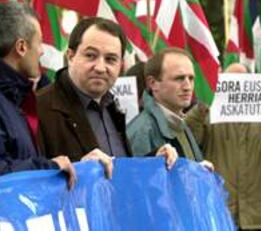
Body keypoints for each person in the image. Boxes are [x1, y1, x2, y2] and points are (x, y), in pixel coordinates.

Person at [36, 17, 177, 177]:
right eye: (90, 55)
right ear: (70, 56)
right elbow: (29, 182)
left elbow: (116, 174)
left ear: (121, 65)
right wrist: (81, 169)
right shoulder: (40, 108)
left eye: (110, 59)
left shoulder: (112, 107)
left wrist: (152, 162)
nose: (100, 68)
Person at [186, 63, 261, 231]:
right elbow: (188, 138)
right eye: (231, 81)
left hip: (259, 213)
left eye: (242, 81)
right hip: (219, 208)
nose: (237, 86)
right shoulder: (209, 112)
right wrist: (201, 108)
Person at [0, 1, 76, 188]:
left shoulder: (9, 97)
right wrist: (49, 167)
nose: (42, 52)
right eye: (40, 42)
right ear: (21, 47)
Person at [127, 47, 213, 170]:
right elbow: (138, 184)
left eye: (191, 78)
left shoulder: (179, 123)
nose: (187, 87)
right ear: (153, 83)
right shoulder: (142, 131)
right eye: (179, 78)